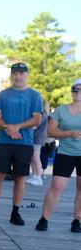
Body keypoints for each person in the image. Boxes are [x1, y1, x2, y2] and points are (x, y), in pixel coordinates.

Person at [0, 62, 42, 225]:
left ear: (27, 75)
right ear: (11, 75)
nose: (18, 76)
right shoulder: (3, 95)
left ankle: (16, 212)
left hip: (25, 142)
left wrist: (17, 127)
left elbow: (37, 119)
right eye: (15, 73)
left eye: (21, 73)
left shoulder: (34, 95)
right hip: (3, 141)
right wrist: (7, 127)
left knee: (20, 178)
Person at [35, 78, 81, 233]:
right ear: (71, 92)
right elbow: (50, 132)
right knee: (56, 186)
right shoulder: (60, 110)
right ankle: (44, 219)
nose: (77, 93)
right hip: (65, 152)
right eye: (75, 89)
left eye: (80, 89)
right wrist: (69, 133)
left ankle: (77, 220)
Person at [26, 105, 49, 186]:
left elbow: (34, 126)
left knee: (36, 157)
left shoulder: (42, 115)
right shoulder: (41, 114)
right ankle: (34, 175)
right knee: (33, 158)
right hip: (34, 138)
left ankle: (38, 177)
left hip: (37, 138)